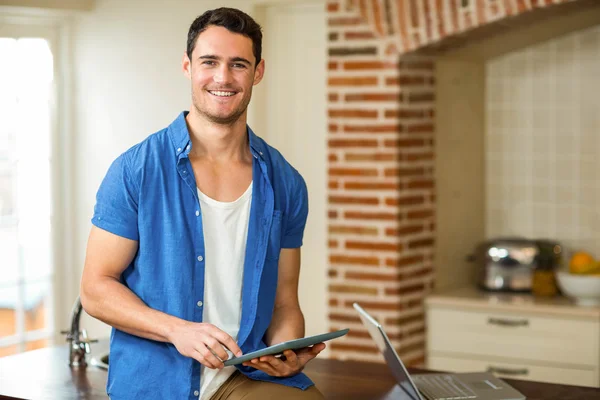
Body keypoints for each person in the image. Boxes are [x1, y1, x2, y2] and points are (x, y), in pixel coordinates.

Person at [80, 7, 325, 400]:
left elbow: (284, 304)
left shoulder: (286, 182)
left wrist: (287, 350)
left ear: (258, 72)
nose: (223, 78)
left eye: (238, 64)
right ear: (188, 66)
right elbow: (95, 288)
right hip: (157, 382)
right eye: (209, 62)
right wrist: (178, 330)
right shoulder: (136, 171)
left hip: (243, 375)